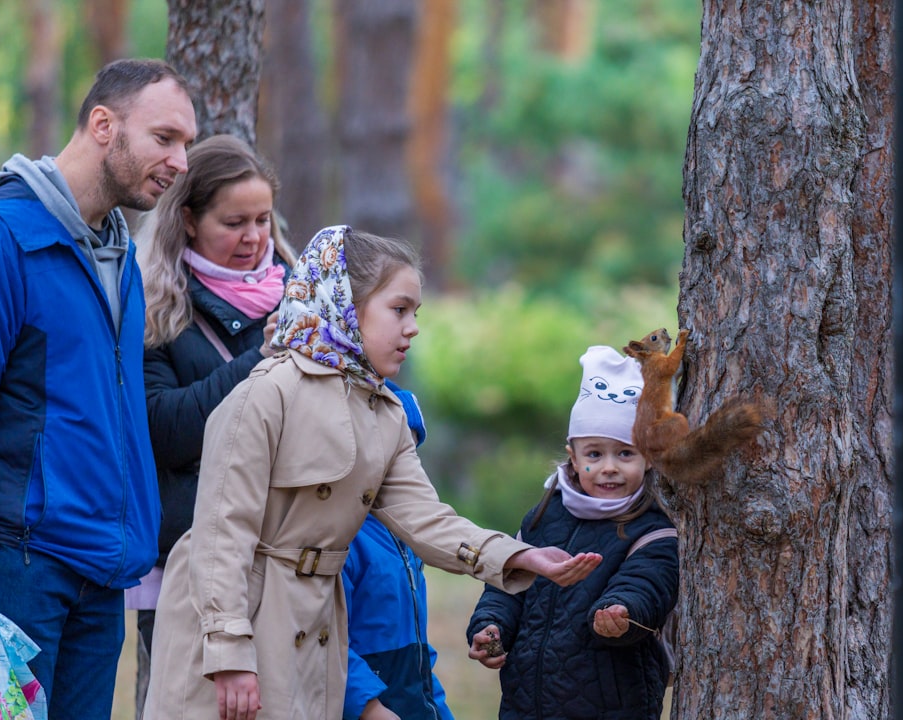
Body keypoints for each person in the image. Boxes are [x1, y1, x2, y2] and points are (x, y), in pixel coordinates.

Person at [143, 225, 602, 720]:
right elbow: (221, 534)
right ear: (345, 302)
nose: (413, 328)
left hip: (314, 625)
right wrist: (229, 650)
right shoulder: (266, 394)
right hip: (237, 623)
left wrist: (520, 556)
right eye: (399, 309)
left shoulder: (384, 411)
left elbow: (426, 518)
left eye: (416, 313)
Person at [0, 58, 197, 718]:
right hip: (17, 568)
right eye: (164, 138)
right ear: (103, 125)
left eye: (186, 143)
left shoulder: (120, 257)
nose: (181, 162)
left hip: (101, 572)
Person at [131, 134, 295, 660]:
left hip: (290, 558)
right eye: (234, 223)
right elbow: (165, 431)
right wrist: (259, 359)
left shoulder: (304, 296)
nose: (254, 238)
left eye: (263, 219)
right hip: (190, 564)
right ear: (188, 220)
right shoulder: (152, 305)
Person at [466, 345, 679, 720]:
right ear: (574, 457)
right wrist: (490, 625)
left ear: (648, 457)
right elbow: (508, 585)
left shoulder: (652, 528)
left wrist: (621, 610)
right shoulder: (542, 517)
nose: (609, 467)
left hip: (612, 706)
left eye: (625, 454)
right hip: (525, 704)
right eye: (595, 454)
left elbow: (648, 583)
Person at [342, 381, 455, 720]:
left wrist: (438, 709)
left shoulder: (408, 535)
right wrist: (368, 707)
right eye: (394, 450)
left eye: (411, 453)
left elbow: (418, 650)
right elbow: (328, 641)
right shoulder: (343, 537)